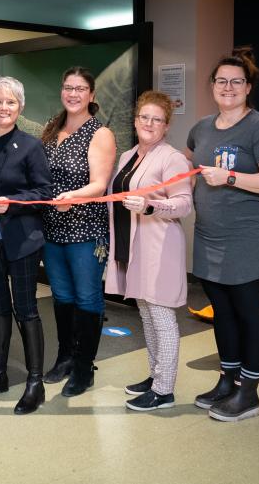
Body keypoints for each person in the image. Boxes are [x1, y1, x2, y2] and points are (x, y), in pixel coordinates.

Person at [187, 46, 259, 422]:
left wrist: (229, 176)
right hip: (208, 238)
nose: (228, 87)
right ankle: (227, 381)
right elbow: (187, 165)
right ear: (212, 86)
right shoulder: (201, 128)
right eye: (221, 81)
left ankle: (250, 393)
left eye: (236, 82)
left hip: (247, 241)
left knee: (249, 314)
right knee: (223, 315)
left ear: (248, 87)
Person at [0, 76, 53, 415]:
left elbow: (44, 192)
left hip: (23, 241)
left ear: (20, 107)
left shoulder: (31, 146)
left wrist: (12, 202)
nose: (4, 107)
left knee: (26, 309)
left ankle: (35, 383)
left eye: (11, 102)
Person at [105, 91, 192, 411]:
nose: (149, 123)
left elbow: (184, 204)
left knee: (161, 315)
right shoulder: (128, 156)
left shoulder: (172, 158)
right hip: (132, 244)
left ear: (166, 126)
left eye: (157, 119)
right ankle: (156, 375)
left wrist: (152, 205)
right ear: (136, 119)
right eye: (145, 117)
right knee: (146, 312)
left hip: (159, 247)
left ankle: (165, 389)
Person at [39, 66, 116, 397]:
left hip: (86, 228)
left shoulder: (100, 133)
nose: (73, 93)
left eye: (80, 88)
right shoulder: (50, 129)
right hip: (52, 228)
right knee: (61, 296)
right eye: (68, 87)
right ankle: (65, 357)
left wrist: (73, 197)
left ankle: (85, 368)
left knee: (87, 296)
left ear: (91, 95)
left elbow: (98, 185)